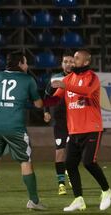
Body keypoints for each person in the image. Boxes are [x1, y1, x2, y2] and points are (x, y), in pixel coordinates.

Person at [0, 51, 47, 212]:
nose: (27, 65)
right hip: (15, 127)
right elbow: (38, 104)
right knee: (25, 161)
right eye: (25, 62)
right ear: (20, 64)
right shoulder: (28, 80)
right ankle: (34, 201)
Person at [46, 49, 111, 212]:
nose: (72, 61)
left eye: (76, 58)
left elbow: (88, 92)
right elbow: (55, 99)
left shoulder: (92, 77)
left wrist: (64, 85)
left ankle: (106, 191)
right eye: (70, 59)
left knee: (89, 162)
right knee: (69, 164)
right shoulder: (69, 78)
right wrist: (42, 98)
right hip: (74, 130)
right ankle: (78, 199)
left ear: (86, 62)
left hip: (92, 128)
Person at [43, 52, 74, 195]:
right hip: (60, 121)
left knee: (73, 153)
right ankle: (61, 184)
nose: (68, 64)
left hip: (75, 121)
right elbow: (47, 97)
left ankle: (72, 176)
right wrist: (46, 111)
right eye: (65, 61)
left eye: (71, 61)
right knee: (60, 152)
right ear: (62, 64)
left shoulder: (79, 78)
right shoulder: (55, 78)